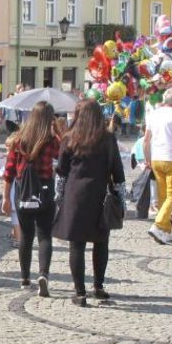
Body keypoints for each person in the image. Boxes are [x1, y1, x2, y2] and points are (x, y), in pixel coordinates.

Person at [53, 98, 125, 306]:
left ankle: (80, 292)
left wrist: (59, 197)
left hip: (75, 196)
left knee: (77, 244)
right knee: (101, 242)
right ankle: (98, 286)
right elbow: (117, 171)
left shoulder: (69, 138)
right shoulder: (108, 139)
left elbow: (61, 172)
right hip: (100, 196)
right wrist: (121, 199)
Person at [2, 101, 62, 295]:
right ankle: (43, 274)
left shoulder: (19, 140)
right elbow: (63, 156)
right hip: (45, 191)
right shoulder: (52, 140)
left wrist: (5, 197)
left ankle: (25, 279)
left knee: (26, 236)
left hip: (23, 192)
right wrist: (59, 130)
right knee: (45, 235)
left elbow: (9, 171)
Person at [142, 88, 172, 244]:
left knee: (163, 195)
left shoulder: (153, 114)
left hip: (156, 157)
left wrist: (147, 158)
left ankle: (165, 231)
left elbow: (146, 139)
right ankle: (159, 224)